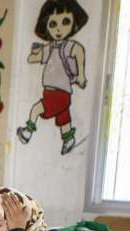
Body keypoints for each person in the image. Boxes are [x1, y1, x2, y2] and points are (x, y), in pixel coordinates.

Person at [16, 0, 88, 154]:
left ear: (73, 24)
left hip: (56, 92)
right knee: (63, 118)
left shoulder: (69, 46)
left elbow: (80, 51)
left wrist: (81, 74)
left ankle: (27, 132)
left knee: (36, 109)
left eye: (65, 22)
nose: (59, 28)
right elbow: (34, 58)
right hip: (60, 93)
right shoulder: (50, 47)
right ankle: (68, 140)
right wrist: (32, 55)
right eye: (53, 24)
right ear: (47, 26)